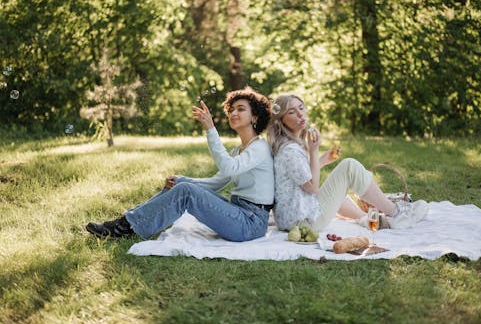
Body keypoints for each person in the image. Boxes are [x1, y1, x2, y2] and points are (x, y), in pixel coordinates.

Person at [86, 87, 274, 242]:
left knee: (187, 191)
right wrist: (182, 179)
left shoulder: (259, 148)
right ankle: (126, 222)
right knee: (182, 186)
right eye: (231, 109)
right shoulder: (239, 150)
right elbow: (216, 183)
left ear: (255, 117)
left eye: (241, 109)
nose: (234, 112)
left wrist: (210, 130)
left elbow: (228, 168)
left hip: (250, 223)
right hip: (239, 212)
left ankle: (125, 228)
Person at [267, 93, 428, 232]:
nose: (300, 114)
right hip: (304, 223)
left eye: (301, 108)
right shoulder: (290, 151)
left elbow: (301, 178)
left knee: (338, 191)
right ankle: (397, 214)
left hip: (294, 219)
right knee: (349, 167)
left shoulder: (288, 146)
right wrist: (314, 151)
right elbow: (312, 187)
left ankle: (368, 219)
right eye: (292, 112)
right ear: (281, 121)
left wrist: (323, 160)